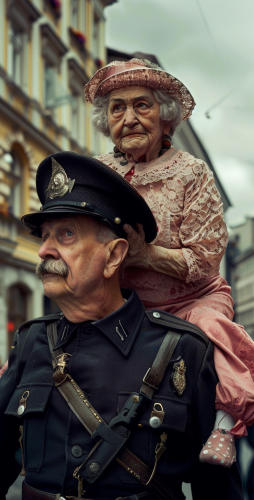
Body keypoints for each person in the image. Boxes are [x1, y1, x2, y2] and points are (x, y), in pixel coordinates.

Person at [0, 152, 244, 500]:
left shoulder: (183, 349)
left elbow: (219, 491)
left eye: (66, 234)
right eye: (44, 236)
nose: (44, 251)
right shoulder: (31, 341)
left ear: (114, 256)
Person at [84, 57, 254, 465]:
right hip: (122, 303)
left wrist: (145, 254)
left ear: (165, 116)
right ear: (107, 121)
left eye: (142, 105)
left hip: (191, 301)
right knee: (54, 328)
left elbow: (205, 260)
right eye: (117, 108)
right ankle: (5, 396)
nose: (129, 117)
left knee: (214, 330)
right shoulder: (97, 172)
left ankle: (223, 426)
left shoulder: (191, 172)